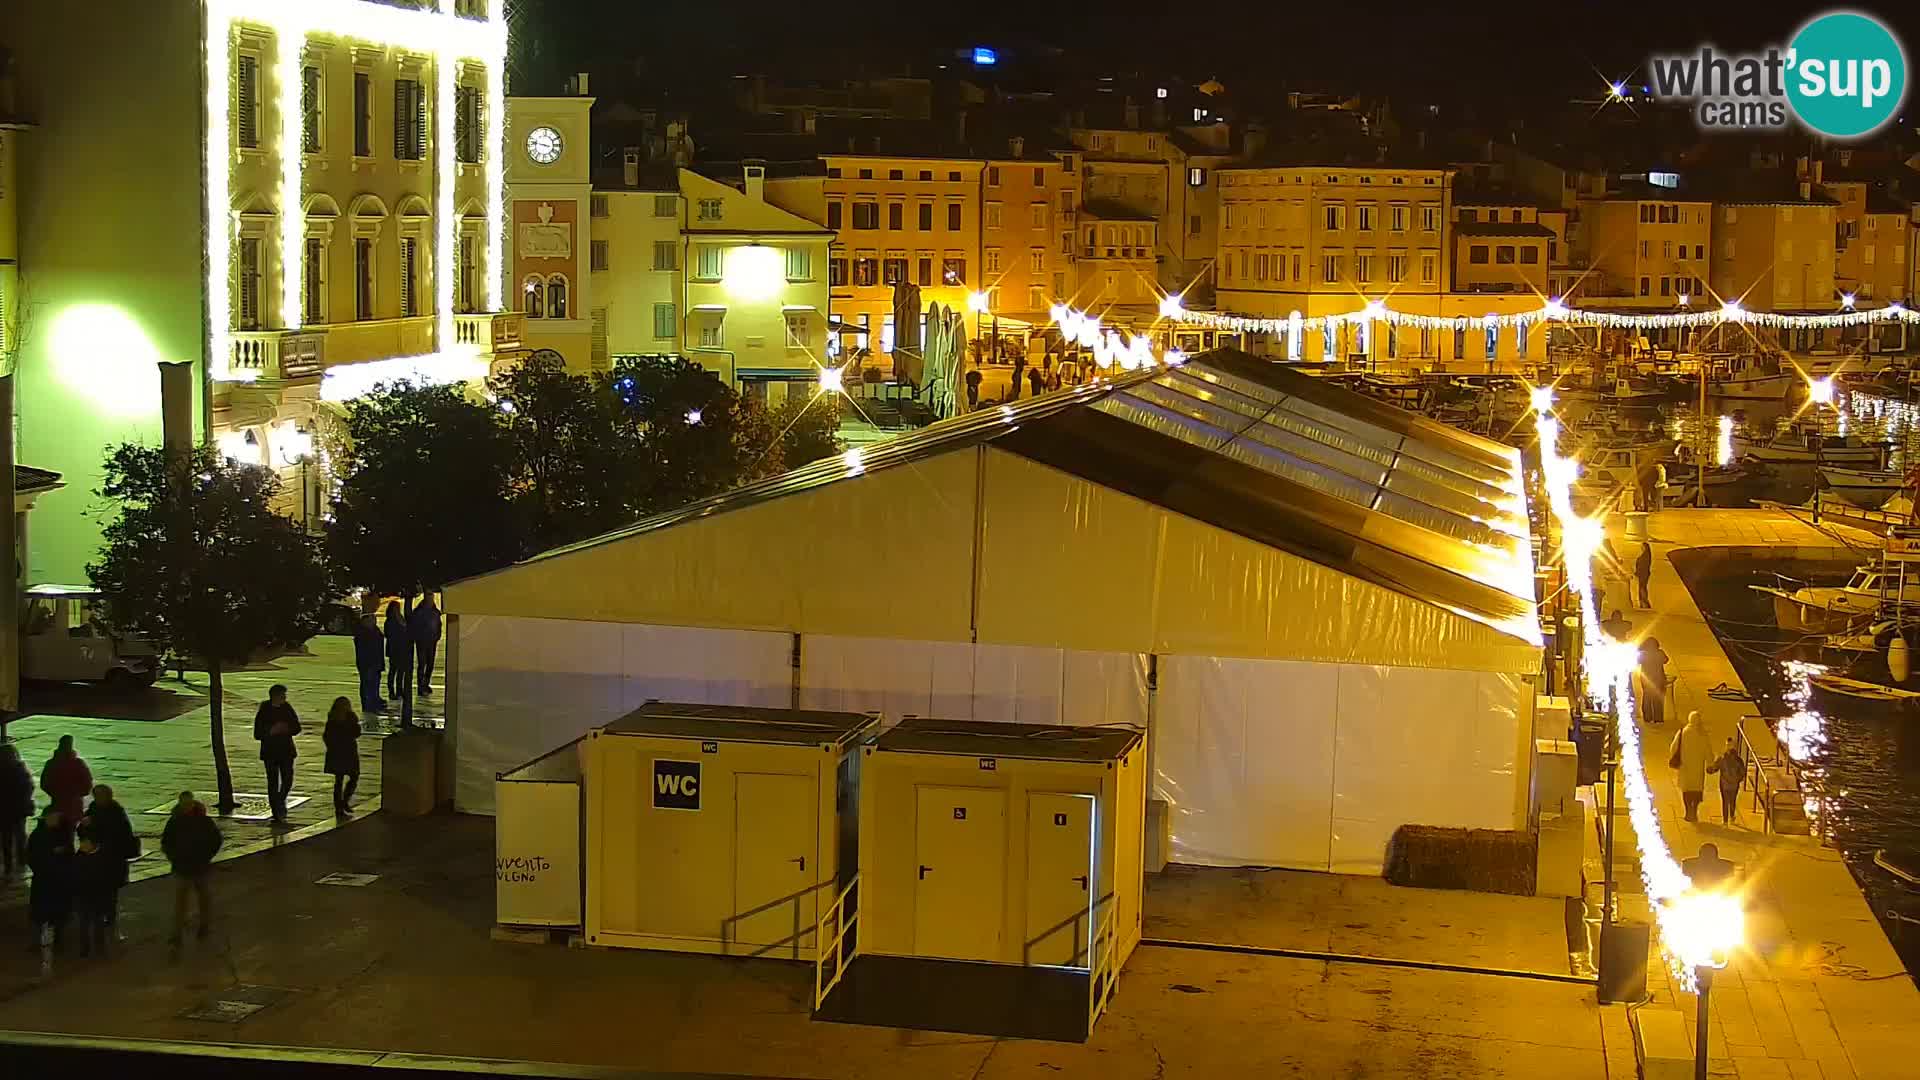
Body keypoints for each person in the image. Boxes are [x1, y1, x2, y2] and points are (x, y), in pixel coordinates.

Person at [76, 784, 136, 953]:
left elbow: (122, 836)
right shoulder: (93, 811)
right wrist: (84, 825)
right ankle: (104, 921)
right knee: (102, 894)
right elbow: (82, 832)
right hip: (99, 861)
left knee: (110, 893)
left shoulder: (116, 812)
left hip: (112, 861)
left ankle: (109, 919)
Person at [160, 792, 222, 948]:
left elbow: (215, 840)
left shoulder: (202, 821)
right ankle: (178, 932)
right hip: (185, 865)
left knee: (201, 896)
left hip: (197, 864)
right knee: (183, 899)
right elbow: (166, 842)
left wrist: (205, 856)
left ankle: (203, 925)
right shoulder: (176, 822)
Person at [26, 808, 74, 958]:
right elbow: (31, 854)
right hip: (44, 878)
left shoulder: (63, 834)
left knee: (57, 912)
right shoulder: (39, 834)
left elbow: (70, 856)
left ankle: (57, 940)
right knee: (41, 912)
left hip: (58, 880)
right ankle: (40, 940)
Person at [254, 684, 301, 824]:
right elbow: (257, 733)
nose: (285, 698)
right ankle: (276, 810)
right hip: (270, 751)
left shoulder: (287, 708)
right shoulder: (265, 710)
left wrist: (286, 729)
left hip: (286, 750)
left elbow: (297, 727)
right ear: (275, 696)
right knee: (273, 781)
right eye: (282, 695)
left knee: (288, 779)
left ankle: (280, 800)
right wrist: (271, 731)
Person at [323, 696, 362, 817]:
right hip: (346, 751)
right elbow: (357, 733)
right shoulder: (348, 717)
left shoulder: (334, 718)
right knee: (351, 777)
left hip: (339, 752)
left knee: (339, 781)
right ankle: (343, 803)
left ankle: (340, 805)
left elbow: (326, 736)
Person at [1669, 710, 1711, 823]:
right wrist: (1710, 762)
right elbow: (1708, 751)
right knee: (1696, 791)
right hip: (1697, 769)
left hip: (1685, 767)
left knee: (1686, 791)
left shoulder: (1682, 732)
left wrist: (1674, 757)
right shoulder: (1703, 734)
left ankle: (1688, 812)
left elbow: (1673, 748)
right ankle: (1694, 811)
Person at [39, 735, 92, 823]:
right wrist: (77, 794)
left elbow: (44, 784)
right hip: (74, 804)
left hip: (58, 802)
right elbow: (87, 784)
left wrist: (55, 793)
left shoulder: (52, 763)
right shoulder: (78, 763)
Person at [1, 743, 31, 877]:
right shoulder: (20, 769)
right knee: (20, 834)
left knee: (6, 838)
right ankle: (22, 860)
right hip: (19, 809)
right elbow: (29, 787)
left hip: (3, 810)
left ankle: (8, 865)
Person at [353, 611, 387, 714]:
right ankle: (368, 705)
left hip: (376, 662)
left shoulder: (374, 631)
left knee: (374, 684)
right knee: (367, 684)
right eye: (372, 619)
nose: (374, 621)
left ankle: (374, 702)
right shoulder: (362, 633)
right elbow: (364, 650)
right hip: (367, 663)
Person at [1707, 736, 1746, 825]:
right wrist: (1738, 780)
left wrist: (1710, 769)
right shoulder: (1738, 760)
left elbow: (1714, 768)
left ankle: (1725, 821)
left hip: (1724, 784)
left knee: (1725, 801)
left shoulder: (1722, 758)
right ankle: (1731, 816)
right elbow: (1742, 773)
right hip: (1734, 785)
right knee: (1732, 801)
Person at [410, 593, 443, 696]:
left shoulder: (435, 612)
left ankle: (425, 684)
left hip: (431, 641)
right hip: (422, 641)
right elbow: (415, 626)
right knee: (422, 664)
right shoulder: (419, 612)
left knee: (430, 664)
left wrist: (437, 636)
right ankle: (421, 686)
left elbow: (439, 625)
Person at [384, 601, 412, 702]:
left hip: (401, 648)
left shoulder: (400, 618)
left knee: (400, 671)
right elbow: (389, 634)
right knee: (393, 671)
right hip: (395, 649)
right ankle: (392, 692)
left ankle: (399, 691)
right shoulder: (390, 620)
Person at [1639, 636, 1670, 726]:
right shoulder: (1659, 652)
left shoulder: (1643, 654)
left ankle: (1648, 718)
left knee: (1647, 697)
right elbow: (1666, 660)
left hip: (1646, 679)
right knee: (1658, 699)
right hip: (1658, 678)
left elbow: (1638, 661)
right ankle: (1658, 718)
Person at [1634, 541, 1654, 609]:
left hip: (1643, 574)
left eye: (1642, 547)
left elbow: (1643, 566)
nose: (1641, 548)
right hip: (1643, 574)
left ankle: (1644, 603)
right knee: (1643, 588)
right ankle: (1644, 603)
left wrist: (1638, 572)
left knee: (1642, 588)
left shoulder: (1645, 556)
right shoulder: (1646, 555)